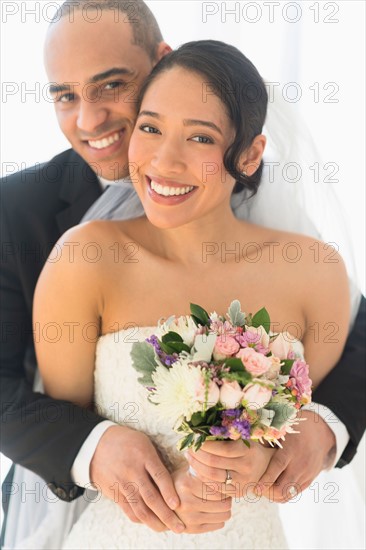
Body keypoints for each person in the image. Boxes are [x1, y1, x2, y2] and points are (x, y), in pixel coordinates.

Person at [1, 0, 365, 547]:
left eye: (109, 86)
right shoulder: (23, 215)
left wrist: (321, 427)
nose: (88, 119)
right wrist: (94, 447)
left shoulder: (284, 232)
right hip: (87, 508)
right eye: (65, 96)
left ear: (159, 60)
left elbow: (351, 330)